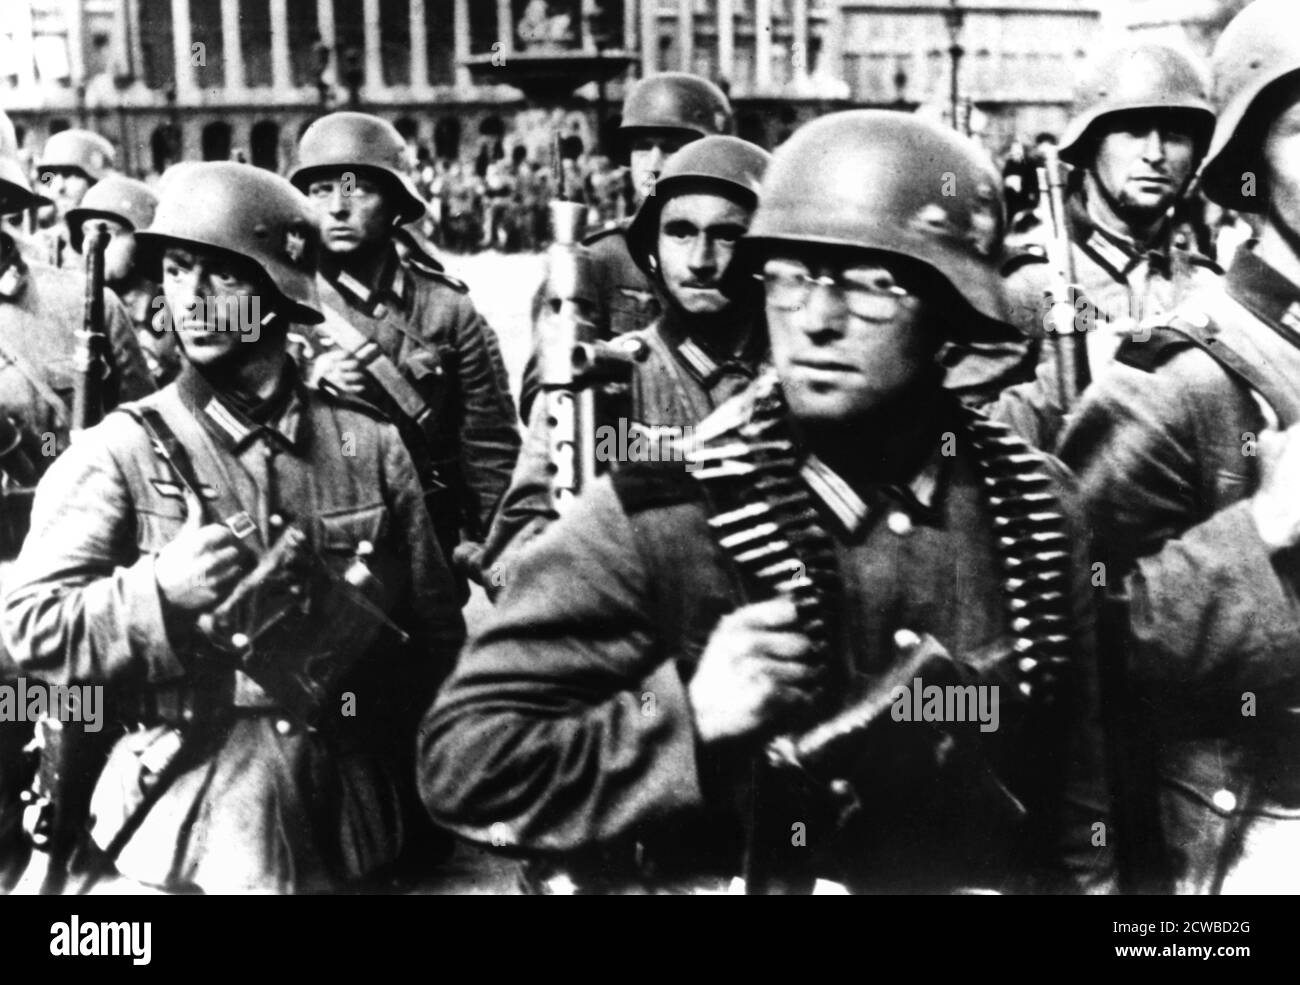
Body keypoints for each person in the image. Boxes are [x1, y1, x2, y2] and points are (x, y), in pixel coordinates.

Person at [417, 112, 1111, 894]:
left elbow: (1077, 796)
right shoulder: (665, 514)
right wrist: (684, 716)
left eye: (871, 285)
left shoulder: (1033, 503)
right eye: (789, 275)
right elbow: (466, 763)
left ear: (951, 308)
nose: (816, 319)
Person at [1, 161, 466, 894]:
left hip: (353, 820)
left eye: (220, 274)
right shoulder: (122, 449)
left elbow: (437, 639)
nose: (192, 297)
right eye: (178, 271)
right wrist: (159, 591)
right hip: (186, 818)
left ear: (278, 292)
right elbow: (26, 629)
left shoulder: (369, 444)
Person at [1054, 0, 1300, 893]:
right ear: (1245, 170)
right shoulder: (1177, 375)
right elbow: (1076, 650)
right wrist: (1261, 527)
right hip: (1248, 840)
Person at [482, 135, 771, 587]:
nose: (700, 261)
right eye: (680, 232)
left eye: (727, 236)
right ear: (652, 246)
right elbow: (509, 559)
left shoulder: (799, 379)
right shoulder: (603, 380)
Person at [289, 112, 521, 588]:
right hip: (314, 549)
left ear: (394, 203)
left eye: (358, 190)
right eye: (321, 191)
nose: (337, 208)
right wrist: (303, 386)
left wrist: (502, 558)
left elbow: (488, 443)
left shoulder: (447, 309)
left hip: (425, 548)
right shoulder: (280, 303)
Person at [958, 43, 1222, 448]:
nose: (1154, 154)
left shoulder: (1206, 286)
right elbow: (954, 441)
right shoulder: (1028, 283)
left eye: (1173, 136)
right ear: (1091, 144)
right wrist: (1059, 391)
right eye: (1133, 132)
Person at [518, 72, 735, 421]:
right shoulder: (595, 259)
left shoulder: (741, 256)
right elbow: (541, 394)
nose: (653, 163)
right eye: (642, 147)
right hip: (625, 453)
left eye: (672, 146)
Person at [65, 174, 179, 386]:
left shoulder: (178, 317)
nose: (92, 245)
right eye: (85, 232)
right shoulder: (76, 315)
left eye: (106, 233)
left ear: (144, 244)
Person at [33, 129, 117, 269]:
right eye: (50, 176)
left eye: (70, 174)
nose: (59, 188)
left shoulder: (114, 246)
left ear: (96, 182)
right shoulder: (41, 244)